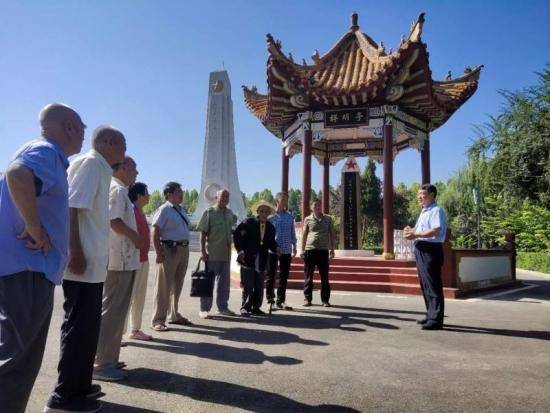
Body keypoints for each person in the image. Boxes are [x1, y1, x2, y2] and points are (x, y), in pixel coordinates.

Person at [0, 103, 84, 413]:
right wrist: (35, 228)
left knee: (17, 359)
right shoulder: (47, 152)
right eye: (82, 129)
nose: (83, 136)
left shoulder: (46, 154)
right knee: (16, 364)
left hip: (25, 269)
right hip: (28, 268)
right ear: (69, 127)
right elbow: (18, 175)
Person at [46, 125, 126, 413]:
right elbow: (71, 207)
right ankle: (64, 396)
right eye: (122, 145)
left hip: (92, 264)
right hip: (82, 262)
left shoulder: (100, 167)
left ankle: (80, 384)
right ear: (107, 142)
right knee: (78, 328)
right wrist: (74, 251)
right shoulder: (91, 163)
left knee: (88, 329)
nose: (125, 152)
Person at [93, 156, 140, 381]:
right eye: (133, 169)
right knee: (112, 312)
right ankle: (101, 364)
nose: (136, 174)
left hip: (124, 260)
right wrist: (135, 236)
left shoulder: (120, 190)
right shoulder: (117, 190)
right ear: (121, 169)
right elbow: (113, 220)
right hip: (118, 260)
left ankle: (110, 358)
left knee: (118, 312)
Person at [404, 183, 448, 330]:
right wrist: (411, 231)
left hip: (431, 250)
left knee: (433, 284)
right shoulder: (424, 211)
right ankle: (430, 314)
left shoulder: (436, 210)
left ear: (432, 195)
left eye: (422, 195)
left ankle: (436, 319)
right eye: (418, 195)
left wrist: (415, 234)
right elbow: (419, 230)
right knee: (425, 284)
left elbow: (435, 230)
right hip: (421, 249)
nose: (419, 197)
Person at [151, 182, 192, 331]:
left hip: (183, 249)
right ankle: (158, 320)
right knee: (163, 286)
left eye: (182, 191)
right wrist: (158, 252)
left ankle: (173, 314)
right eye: (178, 191)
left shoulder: (180, 209)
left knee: (177, 285)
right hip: (169, 249)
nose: (182, 194)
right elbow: (155, 231)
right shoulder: (164, 210)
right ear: (169, 194)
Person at [197, 189, 238, 318]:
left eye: (227, 196)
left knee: (224, 284)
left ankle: (222, 307)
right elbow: (202, 234)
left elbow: (235, 223)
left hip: (226, 255)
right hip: (212, 254)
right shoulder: (209, 212)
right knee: (208, 283)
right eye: (223, 196)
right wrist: (203, 251)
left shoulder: (230, 213)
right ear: (216, 197)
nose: (225, 198)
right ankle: (204, 309)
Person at [233, 200, 278, 317]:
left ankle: (256, 307)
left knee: (259, 284)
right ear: (257, 212)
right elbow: (237, 235)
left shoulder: (271, 227)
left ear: (269, 214)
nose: (264, 213)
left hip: (262, 259)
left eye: (266, 212)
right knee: (248, 284)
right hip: (247, 258)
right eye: (262, 211)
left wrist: (276, 248)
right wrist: (240, 251)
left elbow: (271, 243)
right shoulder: (248, 222)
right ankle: (245, 307)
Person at [124, 182, 153, 340]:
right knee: (127, 298)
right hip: (132, 260)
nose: (149, 196)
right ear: (139, 195)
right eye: (147, 193)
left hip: (144, 259)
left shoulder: (141, 212)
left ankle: (135, 330)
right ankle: (117, 335)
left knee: (139, 297)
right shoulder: (131, 211)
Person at [301, 199, 335, 307]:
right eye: (315, 205)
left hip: (323, 251)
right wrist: (302, 250)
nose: (318, 207)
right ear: (311, 207)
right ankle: (307, 299)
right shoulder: (307, 219)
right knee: (308, 276)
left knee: (324, 277)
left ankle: (325, 300)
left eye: (319, 205)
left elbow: (332, 235)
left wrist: (332, 250)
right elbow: (304, 235)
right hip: (310, 250)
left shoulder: (328, 219)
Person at [266, 192, 297, 310]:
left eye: (286, 200)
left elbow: (292, 232)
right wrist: (273, 246)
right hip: (273, 251)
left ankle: (281, 300)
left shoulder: (290, 216)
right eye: (282, 200)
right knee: (271, 276)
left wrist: (294, 245)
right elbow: (268, 236)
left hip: (286, 250)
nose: (284, 202)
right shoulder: (271, 217)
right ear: (277, 201)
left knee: (284, 276)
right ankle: (270, 300)